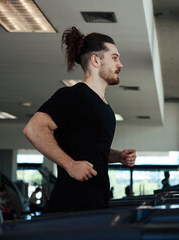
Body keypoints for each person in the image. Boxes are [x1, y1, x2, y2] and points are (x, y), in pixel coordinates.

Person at [23, 26, 137, 213]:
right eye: (115, 58)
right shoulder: (73, 95)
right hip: (72, 205)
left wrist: (118, 156)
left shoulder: (105, 107)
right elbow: (33, 129)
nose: (120, 64)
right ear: (95, 60)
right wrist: (70, 165)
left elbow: (90, 148)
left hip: (96, 202)